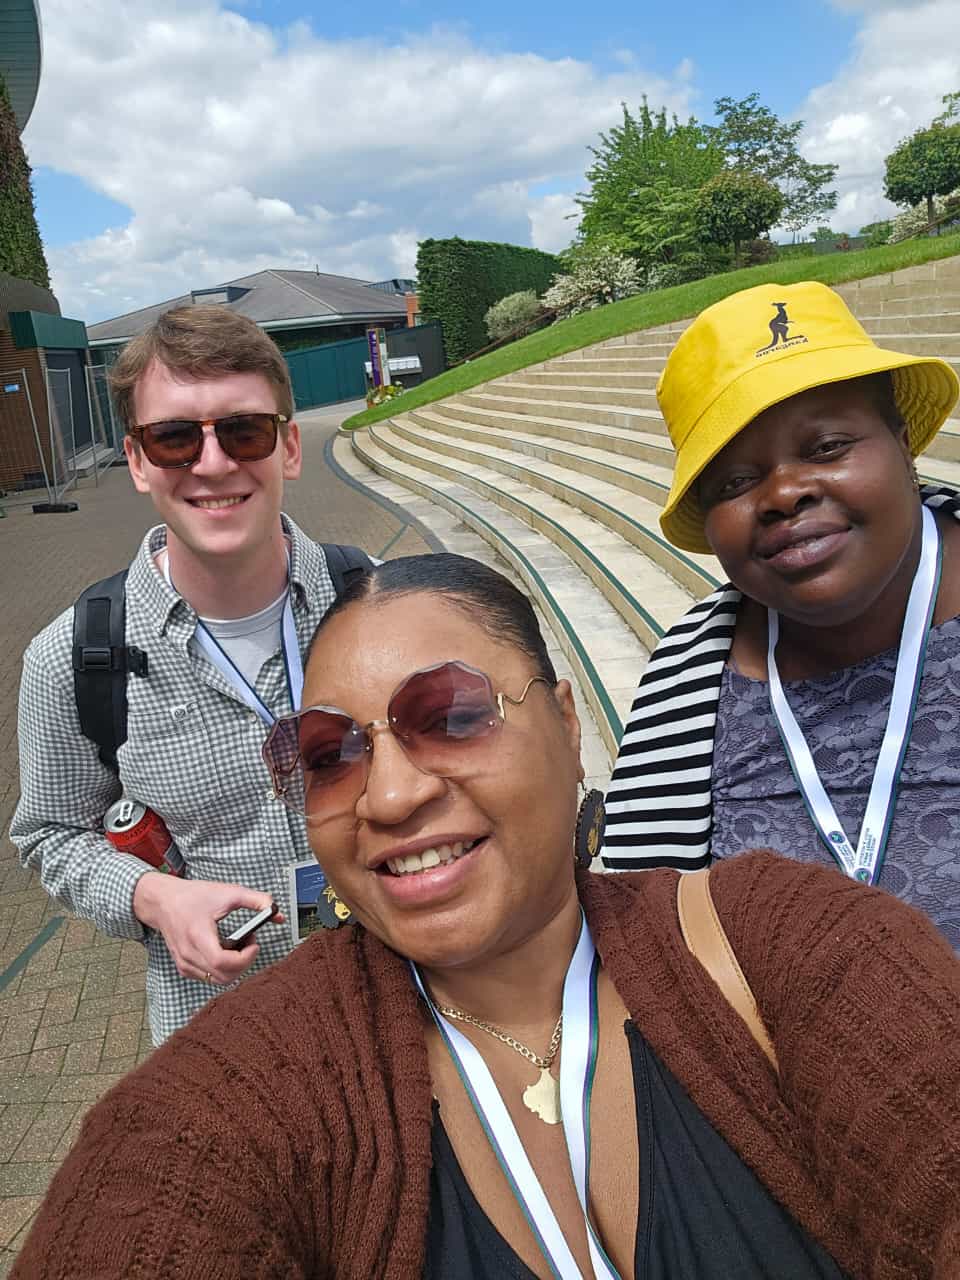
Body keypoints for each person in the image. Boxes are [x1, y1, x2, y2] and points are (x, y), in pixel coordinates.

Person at [12, 553, 960, 1280]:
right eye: (328, 754)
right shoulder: (249, 1085)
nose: (388, 796)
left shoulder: (783, 944)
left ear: (568, 723)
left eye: (453, 715)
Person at [11, 305, 367, 1043]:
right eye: (175, 437)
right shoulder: (70, 659)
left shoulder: (381, 600)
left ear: (289, 447)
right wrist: (151, 897)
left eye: (244, 430)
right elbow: (49, 835)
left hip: (403, 998)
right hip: (227, 1034)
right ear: (138, 461)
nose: (212, 463)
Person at [603, 281, 960, 947]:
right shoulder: (684, 685)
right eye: (736, 482)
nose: (784, 494)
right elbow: (646, 948)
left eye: (826, 446)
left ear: (902, 440)